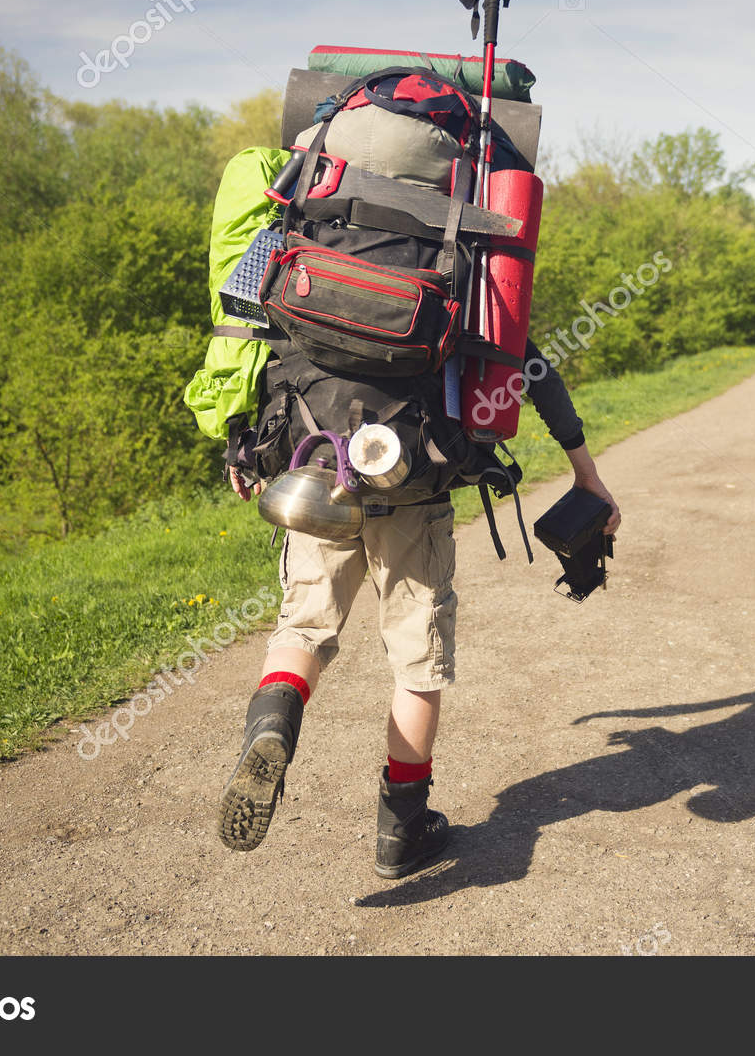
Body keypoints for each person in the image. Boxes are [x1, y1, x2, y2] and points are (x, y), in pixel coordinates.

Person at [217, 340, 620, 877]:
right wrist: (585, 471)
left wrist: (236, 442)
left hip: (315, 465)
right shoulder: (466, 252)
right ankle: (401, 828)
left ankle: (273, 727)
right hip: (413, 478)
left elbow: (239, 336)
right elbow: (533, 365)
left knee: (303, 630)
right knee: (416, 660)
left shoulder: (293, 249)